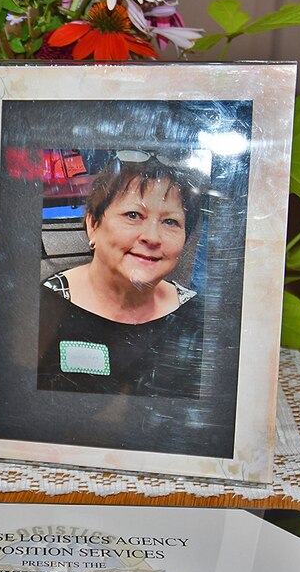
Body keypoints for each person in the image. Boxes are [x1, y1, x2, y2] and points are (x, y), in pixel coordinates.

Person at [37, 153, 205, 398]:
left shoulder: (196, 318)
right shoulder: (42, 309)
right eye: (133, 215)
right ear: (93, 224)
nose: (152, 237)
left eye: (170, 222)